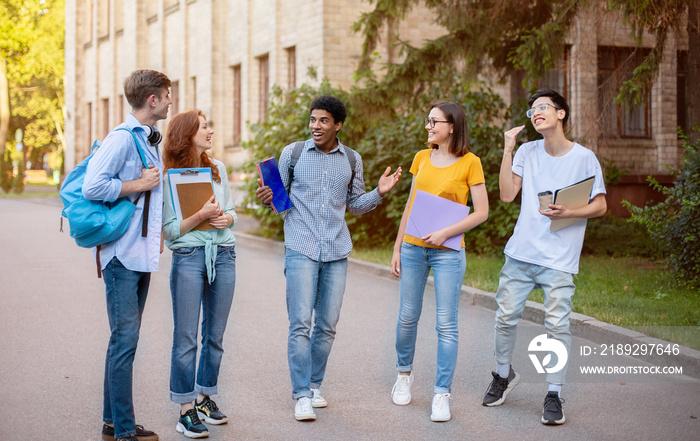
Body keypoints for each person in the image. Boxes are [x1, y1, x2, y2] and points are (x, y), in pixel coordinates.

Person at [255, 95, 402, 421]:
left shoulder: (351, 159)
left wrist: (379, 192)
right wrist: (267, 198)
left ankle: (314, 385)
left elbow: (356, 204)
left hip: (336, 251)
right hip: (300, 247)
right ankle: (301, 395)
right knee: (300, 324)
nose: (316, 126)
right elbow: (278, 198)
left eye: (323, 121)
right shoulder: (292, 154)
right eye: (313, 120)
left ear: (337, 124)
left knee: (328, 325)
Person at [481, 89, 607, 425]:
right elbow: (507, 195)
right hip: (521, 253)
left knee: (557, 327)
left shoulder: (584, 158)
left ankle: (553, 394)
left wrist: (571, 210)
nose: (536, 113)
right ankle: (503, 375)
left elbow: (601, 205)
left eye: (543, 107)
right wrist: (508, 149)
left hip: (559, 259)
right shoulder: (526, 150)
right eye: (532, 109)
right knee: (505, 317)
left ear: (561, 114)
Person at [83, 69, 172, 441]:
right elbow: (92, 186)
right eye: (168, 95)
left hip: (139, 253)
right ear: (153, 99)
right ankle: (123, 430)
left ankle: (111, 421)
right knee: (125, 341)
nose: (170, 101)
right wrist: (139, 184)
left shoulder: (146, 139)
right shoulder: (122, 139)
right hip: (122, 256)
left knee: (122, 340)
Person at [389, 101, 489, 422]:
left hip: (448, 252)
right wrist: (396, 247)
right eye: (428, 120)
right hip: (413, 248)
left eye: (434, 121)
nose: (429, 126)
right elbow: (411, 204)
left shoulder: (470, 163)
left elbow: (482, 212)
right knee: (407, 316)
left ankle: (441, 393)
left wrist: (445, 232)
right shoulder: (422, 157)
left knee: (446, 325)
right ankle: (404, 376)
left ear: (452, 126)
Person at [162, 110, 237, 439]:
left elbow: (232, 210)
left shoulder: (218, 168)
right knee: (186, 337)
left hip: (224, 255)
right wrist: (201, 216)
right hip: (189, 257)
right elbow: (168, 232)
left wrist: (225, 220)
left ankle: (206, 397)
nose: (210, 130)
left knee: (215, 336)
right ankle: (185, 409)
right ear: (186, 133)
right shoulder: (169, 176)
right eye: (204, 126)